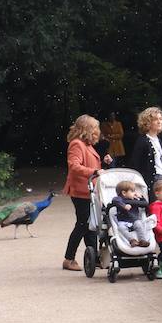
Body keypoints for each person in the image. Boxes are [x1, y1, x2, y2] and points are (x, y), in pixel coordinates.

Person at [62, 115, 111, 272]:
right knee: (83, 224)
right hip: (80, 191)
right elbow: (74, 166)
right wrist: (95, 171)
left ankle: (94, 258)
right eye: (95, 127)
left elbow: (91, 164)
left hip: (89, 191)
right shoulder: (76, 144)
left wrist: (104, 162)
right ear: (87, 129)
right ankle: (69, 259)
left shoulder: (87, 144)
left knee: (91, 225)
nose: (97, 130)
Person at [128, 106, 162, 198]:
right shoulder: (142, 141)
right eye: (155, 119)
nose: (159, 122)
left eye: (161, 119)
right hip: (149, 179)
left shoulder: (158, 140)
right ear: (147, 122)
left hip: (161, 176)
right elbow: (136, 164)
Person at [110, 180, 151, 248]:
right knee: (121, 228)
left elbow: (145, 204)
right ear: (124, 193)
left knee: (139, 224)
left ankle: (142, 240)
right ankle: (132, 240)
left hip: (134, 220)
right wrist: (124, 206)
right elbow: (115, 200)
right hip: (123, 221)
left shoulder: (135, 201)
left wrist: (141, 197)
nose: (134, 193)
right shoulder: (119, 199)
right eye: (132, 191)